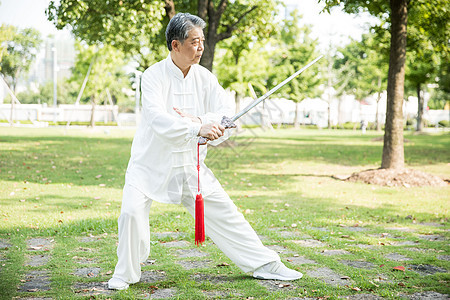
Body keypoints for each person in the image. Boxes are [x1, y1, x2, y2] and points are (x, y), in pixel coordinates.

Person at [108, 12, 303, 291]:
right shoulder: (152, 77)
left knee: (226, 213)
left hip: (190, 166)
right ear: (175, 45)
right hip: (149, 165)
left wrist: (202, 123)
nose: (200, 48)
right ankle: (125, 272)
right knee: (130, 214)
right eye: (194, 42)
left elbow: (224, 114)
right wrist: (196, 128)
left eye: (202, 42)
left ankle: (265, 264)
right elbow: (157, 118)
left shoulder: (206, 78)